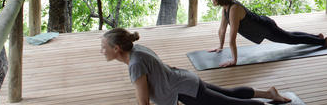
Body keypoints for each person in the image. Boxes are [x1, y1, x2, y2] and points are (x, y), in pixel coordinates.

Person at [100, 28, 291, 105]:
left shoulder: (135, 63)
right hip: (185, 80)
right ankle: (268, 94)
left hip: (184, 89)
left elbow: (143, 102)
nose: (102, 51)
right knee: (230, 94)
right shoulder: (138, 49)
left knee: (231, 104)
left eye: (104, 47)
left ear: (117, 48)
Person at [209, 0, 327, 67]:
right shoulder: (226, 8)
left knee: (290, 39)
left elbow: (232, 38)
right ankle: (317, 37)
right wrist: (220, 46)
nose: (212, 0)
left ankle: (324, 42)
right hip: (263, 25)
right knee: (288, 35)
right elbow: (222, 29)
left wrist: (234, 61)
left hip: (265, 28)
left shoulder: (233, 9)